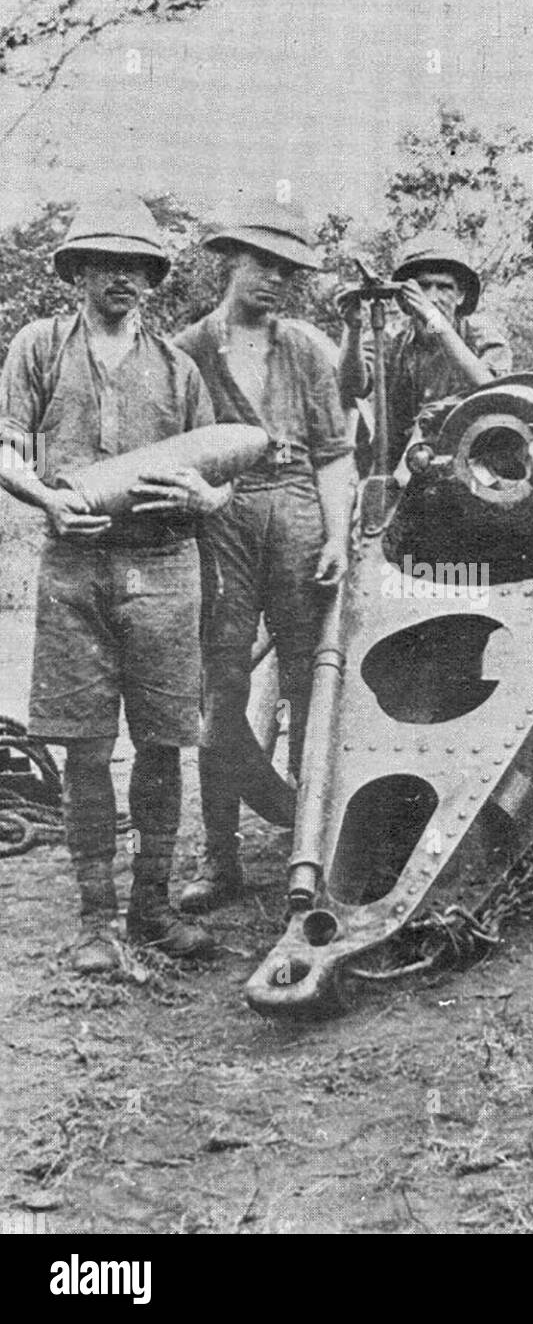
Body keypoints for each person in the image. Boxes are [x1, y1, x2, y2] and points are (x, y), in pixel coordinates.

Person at [0, 190, 229, 973]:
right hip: (75, 565)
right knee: (87, 748)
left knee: (164, 742)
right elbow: (5, 448)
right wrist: (48, 503)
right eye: (107, 264)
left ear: (152, 276)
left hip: (165, 566)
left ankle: (153, 907)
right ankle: (97, 919)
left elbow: (220, 468)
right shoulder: (38, 347)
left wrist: (207, 497)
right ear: (79, 270)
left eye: (137, 266)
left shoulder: (177, 368)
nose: (123, 279)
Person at [173, 194, 355, 914]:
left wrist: (337, 535)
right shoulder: (187, 350)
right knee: (220, 688)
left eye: (288, 270)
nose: (275, 280)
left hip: (299, 516)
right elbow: (176, 453)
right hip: (221, 519)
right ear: (231, 262)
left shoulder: (306, 346)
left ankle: (309, 847)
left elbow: (334, 453)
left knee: (313, 683)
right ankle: (221, 863)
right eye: (262, 264)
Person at [336, 232, 512, 471]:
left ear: (461, 295)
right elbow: (351, 387)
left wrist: (433, 318)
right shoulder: (389, 340)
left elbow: (491, 389)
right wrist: (352, 327)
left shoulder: (480, 336)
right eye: (423, 287)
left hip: (472, 468)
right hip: (403, 472)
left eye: (444, 287)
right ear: (406, 297)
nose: (432, 296)